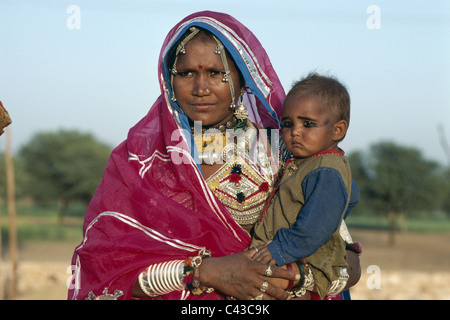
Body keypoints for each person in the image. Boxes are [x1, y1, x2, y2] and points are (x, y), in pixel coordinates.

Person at [67, 11, 360, 300]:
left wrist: (295, 279)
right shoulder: (140, 163)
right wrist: (205, 272)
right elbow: (107, 271)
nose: (200, 88)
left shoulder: (285, 151)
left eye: (216, 73)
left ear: (242, 78)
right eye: (186, 73)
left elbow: (346, 259)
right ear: (168, 79)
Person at [251, 73, 362, 299]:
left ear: (338, 130)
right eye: (288, 124)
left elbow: (317, 227)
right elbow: (353, 195)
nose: (295, 132)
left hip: (300, 256)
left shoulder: (325, 170)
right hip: (290, 252)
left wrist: (281, 248)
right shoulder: (310, 162)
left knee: (255, 282)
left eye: (308, 124)